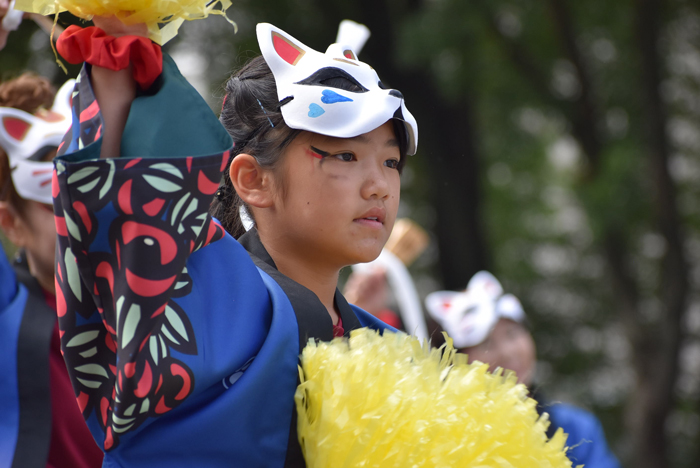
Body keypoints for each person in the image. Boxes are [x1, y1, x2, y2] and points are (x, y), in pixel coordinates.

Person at [51, 15, 417, 467]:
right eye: (346, 155)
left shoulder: (398, 352)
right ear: (253, 180)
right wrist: (119, 60)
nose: (379, 185)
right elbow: (123, 208)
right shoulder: (198, 301)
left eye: (392, 161)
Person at [0, 73, 104, 467]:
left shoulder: (152, 307)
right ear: (11, 224)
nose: (81, 221)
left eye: (93, 198)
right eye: (56, 207)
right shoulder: (7, 317)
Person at [425, 271, 622, 468]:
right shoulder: (439, 440)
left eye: (512, 334)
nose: (508, 352)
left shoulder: (576, 429)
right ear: (454, 361)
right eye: (486, 343)